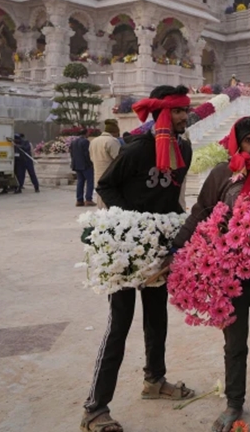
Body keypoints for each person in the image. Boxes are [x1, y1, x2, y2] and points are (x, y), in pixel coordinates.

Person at [81, 85, 195, 432]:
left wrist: (177, 233)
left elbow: (174, 195)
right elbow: (106, 185)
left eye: (184, 110)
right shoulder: (135, 149)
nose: (182, 117)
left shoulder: (184, 149)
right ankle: (95, 409)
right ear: (162, 112)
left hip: (161, 247)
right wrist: (131, 225)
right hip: (129, 248)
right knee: (120, 323)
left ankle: (154, 380)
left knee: (157, 318)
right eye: (176, 111)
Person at [171, 116, 250, 431]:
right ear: (237, 142)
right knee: (235, 345)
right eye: (248, 141)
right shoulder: (222, 175)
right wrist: (178, 247)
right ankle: (234, 404)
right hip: (230, 278)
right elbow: (201, 212)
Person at [89, 120, 122, 209]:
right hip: (109, 176)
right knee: (110, 203)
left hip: (97, 175)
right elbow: (119, 159)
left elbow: (91, 158)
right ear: (115, 132)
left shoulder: (94, 141)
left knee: (100, 201)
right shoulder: (112, 141)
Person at [70, 129, 95, 207]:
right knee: (90, 181)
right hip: (85, 165)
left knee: (80, 182)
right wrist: (91, 163)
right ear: (86, 133)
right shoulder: (85, 142)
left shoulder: (73, 142)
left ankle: (79, 200)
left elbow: (72, 154)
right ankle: (88, 199)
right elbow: (87, 154)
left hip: (77, 165)